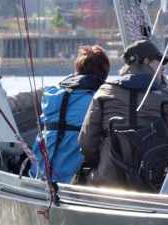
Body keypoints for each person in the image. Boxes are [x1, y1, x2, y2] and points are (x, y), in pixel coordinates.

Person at [78, 40, 168, 189]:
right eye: (159, 63)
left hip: (109, 181)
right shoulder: (164, 95)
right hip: (154, 183)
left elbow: (86, 142)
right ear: (146, 61)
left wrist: (98, 162)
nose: (162, 68)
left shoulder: (105, 91)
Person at [31, 45, 110, 183]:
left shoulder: (52, 94)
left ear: (77, 69)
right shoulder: (97, 100)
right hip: (70, 180)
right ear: (104, 73)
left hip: (38, 173)